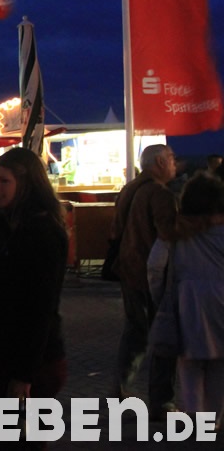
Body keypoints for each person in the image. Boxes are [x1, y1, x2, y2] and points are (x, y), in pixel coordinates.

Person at [0, 147, 68, 445]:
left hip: (31, 358)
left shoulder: (39, 233)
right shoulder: (12, 226)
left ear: (27, 184)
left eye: (4, 181)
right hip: (14, 353)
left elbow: (39, 307)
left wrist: (24, 373)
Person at [110, 143, 179, 414]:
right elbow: (169, 235)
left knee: (135, 332)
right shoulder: (160, 194)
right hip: (152, 273)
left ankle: (120, 388)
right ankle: (162, 400)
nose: (175, 164)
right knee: (164, 336)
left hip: (128, 268)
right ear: (160, 162)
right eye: (171, 158)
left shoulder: (130, 189)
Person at [154, 174, 224, 429]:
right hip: (221, 299)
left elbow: (155, 266)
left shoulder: (175, 232)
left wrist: (161, 295)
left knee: (189, 363)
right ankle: (214, 418)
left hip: (187, 301)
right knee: (219, 363)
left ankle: (194, 415)